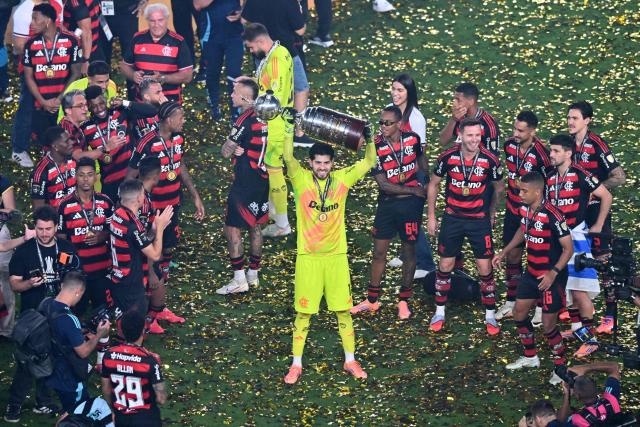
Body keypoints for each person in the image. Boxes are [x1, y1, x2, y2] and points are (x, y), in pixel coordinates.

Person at [282, 123, 374, 385]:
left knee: (343, 312)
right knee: (303, 314)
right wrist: (289, 130)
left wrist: (369, 139)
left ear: (333, 163)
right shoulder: (300, 179)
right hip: (308, 258)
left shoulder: (343, 179)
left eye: (326, 163)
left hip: (336, 258)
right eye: (318, 163)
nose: (322, 167)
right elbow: (288, 158)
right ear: (310, 162)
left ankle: (350, 360)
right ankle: (296, 364)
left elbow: (369, 161)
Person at [427, 118, 504, 334]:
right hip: (453, 218)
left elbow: (499, 187)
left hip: (478, 221)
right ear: (460, 135)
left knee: (485, 268)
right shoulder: (448, 157)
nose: (474, 140)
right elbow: (433, 184)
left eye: (478, 135)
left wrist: (492, 212)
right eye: (470, 135)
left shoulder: (490, 160)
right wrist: (431, 216)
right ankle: (439, 311)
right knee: (445, 266)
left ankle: (490, 315)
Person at [492, 172, 572, 378]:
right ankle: (530, 357)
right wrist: (505, 251)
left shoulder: (553, 214)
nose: (520, 194)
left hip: (551, 277)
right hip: (531, 272)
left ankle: (560, 368)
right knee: (519, 313)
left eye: (524, 191)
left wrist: (552, 274)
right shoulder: (525, 209)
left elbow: (568, 249)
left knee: (548, 326)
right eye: (519, 189)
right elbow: (523, 229)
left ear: (538, 192)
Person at [351, 106, 427, 320]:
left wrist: (425, 179)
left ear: (399, 124)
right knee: (379, 252)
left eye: (387, 123)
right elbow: (384, 184)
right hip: (387, 204)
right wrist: (414, 190)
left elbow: (422, 159)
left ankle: (404, 300)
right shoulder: (374, 146)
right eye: (381, 122)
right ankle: (372, 300)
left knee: (409, 252)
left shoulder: (412, 139)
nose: (382, 127)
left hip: (410, 207)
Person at [5, 205, 78, 423]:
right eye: (40, 229)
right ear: (34, 228)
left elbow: (76, 276)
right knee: (28, 361)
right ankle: (14, 403)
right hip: (33, 316)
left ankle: (43, 401)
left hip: (58, 314)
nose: (44, 233)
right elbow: (14, 284)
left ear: (56, 227)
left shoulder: (66, 247)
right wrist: (29, 283)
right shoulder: (25, 251)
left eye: (48, 229)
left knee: (54, 358)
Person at [127, 102, 205, 295]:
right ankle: (152, 282)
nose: (184, 121)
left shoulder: (179, 138)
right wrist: (136, 205)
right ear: (169, 120)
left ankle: (163, 277)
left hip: (173, 204)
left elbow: (180, 165)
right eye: (181, 118)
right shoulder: (147, 143)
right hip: (153, 207)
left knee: (169, 245)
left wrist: (195, 196)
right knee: (152, 246)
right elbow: (130, 176)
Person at [547, 134, 612, 358]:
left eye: (555, 151)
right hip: (557, 239)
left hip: (576, 238)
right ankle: (578, 330)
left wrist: (599, 223)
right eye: (550, 151)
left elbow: (606, 196)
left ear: (568, 153)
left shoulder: (582, 175)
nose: (551, 155)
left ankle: (591, 338)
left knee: (579, 290)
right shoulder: (549, 176)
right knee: (567, 287)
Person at [566, 101, 626, 334]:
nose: (571, 122)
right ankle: (577, 314)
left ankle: (610, 316)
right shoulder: (568, 144)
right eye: (569, 118)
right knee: (574, 258)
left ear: (587, 120)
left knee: (603, 261)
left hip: (595, 213)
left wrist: (595, 188)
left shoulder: (597, 144)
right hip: (574, 213)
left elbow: (619, 176)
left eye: (575, 118)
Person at [495, 111, 551, 324]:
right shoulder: (509, 145)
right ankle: (511, 300)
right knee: (513, 256)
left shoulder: (542, 154)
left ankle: (539, 305)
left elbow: (547, 184)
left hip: (535, 213)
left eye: (520, 130)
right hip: (512, 209)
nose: (515, 134)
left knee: (538, 260)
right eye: (514, 129)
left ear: (533, 131)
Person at [239, 23, 294, 238]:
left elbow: (276, 99)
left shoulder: (277, 59)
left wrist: (252, 103)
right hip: (278, 122)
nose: (251, 51)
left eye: (251, 47)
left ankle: (282, 224)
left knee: (273, 170)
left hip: (276, 124)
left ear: (261, 42)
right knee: (273, 169)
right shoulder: (276, 53)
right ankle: (276, 214)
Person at [216, 79, 269, 294]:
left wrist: (234, 146)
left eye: (235, 92)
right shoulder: (264, 116)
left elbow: (225, 151)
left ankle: (239, 280)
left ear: (246, 98)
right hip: (262, 180)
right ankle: (253, 275)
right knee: (255, 226)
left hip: (245, 182)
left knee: (232, 228)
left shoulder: (244, 120)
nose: (231, 95)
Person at [385, 73, 435, 279]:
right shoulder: (391, 109)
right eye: (393, 88)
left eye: (400, 90)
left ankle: (426, 263)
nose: (395, 94)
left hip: (413, 173)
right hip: (395, 170)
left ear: (409, 93)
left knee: (410, 218)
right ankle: (404, 253)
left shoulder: (416, 118)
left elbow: (419, 152)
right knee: (398, 214)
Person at [109, 179, 173, 336]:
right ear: (139, 198)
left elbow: (139, 242)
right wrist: (160, 228)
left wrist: (152, 230)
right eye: (143, 194)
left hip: (118, 278)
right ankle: (130, 353)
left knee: (124, 319)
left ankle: (124, 345)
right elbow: (155, 254)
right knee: (134, 325)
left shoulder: (118, 215)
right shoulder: (132, 226)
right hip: (130, 282)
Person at [41, 271, 111, 413]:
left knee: (68, 410)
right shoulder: (69, 319)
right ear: (78, 292)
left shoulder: (46, 303)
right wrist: (99, 335)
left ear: (62, 286)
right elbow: (83, 352)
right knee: (76, 412)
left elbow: (56, 332)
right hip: (67, 376)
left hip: (49, 366)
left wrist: (81, 333)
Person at [10, 0, 64, 168]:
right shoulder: (24, 10)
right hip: (32, 68)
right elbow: (18, 46)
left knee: (55, 106)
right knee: (27, 106)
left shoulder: (57, 3)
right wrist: (41, 47)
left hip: (56, 66)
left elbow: (59, 29)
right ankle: (18, 150)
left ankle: (48, 143)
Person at [57, 157, 113, 314]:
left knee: (102, 313)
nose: (85, 179)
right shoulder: (65, 205)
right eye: (81, 175)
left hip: (102, 270)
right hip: (77, 272)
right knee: (76, 313)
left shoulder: (106, 202)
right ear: (75, 176)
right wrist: (65, 271)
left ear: (96, 177)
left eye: (89, 174)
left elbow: (114, 233)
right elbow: (61, 241)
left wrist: (103, 236)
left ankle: (101, 337)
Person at [82, 85, 156, 203]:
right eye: (94, 106)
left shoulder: (119, 112)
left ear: (105, 99)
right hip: (110, 183)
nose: (99, 109)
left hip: (133, 176)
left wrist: (124, 102)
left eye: (101, 103)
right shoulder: (85, 127)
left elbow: (152, 111)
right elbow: (83, 157)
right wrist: (105, 147)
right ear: (88, 107)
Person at [23, 3, 82, 145]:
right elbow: (28, 77)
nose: (32, 23)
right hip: (40, 105)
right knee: (45, 144)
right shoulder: (30, 44)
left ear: (48, 20)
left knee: (66, 142)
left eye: (35, 19)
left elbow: (76, 74)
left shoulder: (71, 41)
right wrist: (43, 101)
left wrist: (59, 99)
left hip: (64, 106)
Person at [101, 310, 167, 426]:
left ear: (122, 330)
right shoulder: (150, 360)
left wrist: (114, 409)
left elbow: (106, 390)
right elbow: (161, 398)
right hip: (147, 419)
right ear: (143, 330)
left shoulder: (108, 356)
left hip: (121, 417)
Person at [120, 3, 193, 104]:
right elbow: (124, 66)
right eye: (152, 21)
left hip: (170, 104)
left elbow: (188, 76)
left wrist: (163, 78)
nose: (156, 25)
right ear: (147, 21)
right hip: (142, 103)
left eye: (160, 20)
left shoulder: (178, 42)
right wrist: (133, 75)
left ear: (167, 19)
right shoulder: (137, 38)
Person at [193, 0, 243, 122]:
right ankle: (214, 106)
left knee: (234, 73)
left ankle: (236, 112)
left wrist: (242, 10)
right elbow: (198, 4)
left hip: (234, 33)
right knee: (212, 73)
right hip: (210, 35)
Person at [438, 82, 500, 156]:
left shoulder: (488, 124)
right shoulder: (459, 117)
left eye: (458, 100)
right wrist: (453, 120)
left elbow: (493, 157)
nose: (454, 103)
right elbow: (442, 141)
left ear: (471, 101)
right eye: (454, 99)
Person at [558, 362, 622, 426]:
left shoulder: (578, 419)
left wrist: (567, 394)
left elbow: (558, 424)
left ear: (577, 396)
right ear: (596, 389)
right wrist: (585, 368)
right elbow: (614, 367)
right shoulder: (611, 400)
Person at [31, 126, 77, 211]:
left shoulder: (74, 160)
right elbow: (39, 209)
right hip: (57, 220)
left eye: (70, 139)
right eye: (67, 141)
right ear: (55, 146)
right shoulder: (41, 172)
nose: (71, 142)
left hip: (79, 216)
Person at [102, 0, 148, 70]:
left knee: (130, 54)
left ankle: (132, 79)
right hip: (103, 12)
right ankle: (102, 79)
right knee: (102, 55)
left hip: (128, 12)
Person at [63, 0, 105, 70]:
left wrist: (85, 60)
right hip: (93, 46)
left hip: (81, 52)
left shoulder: (76, 2)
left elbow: (86, 31)